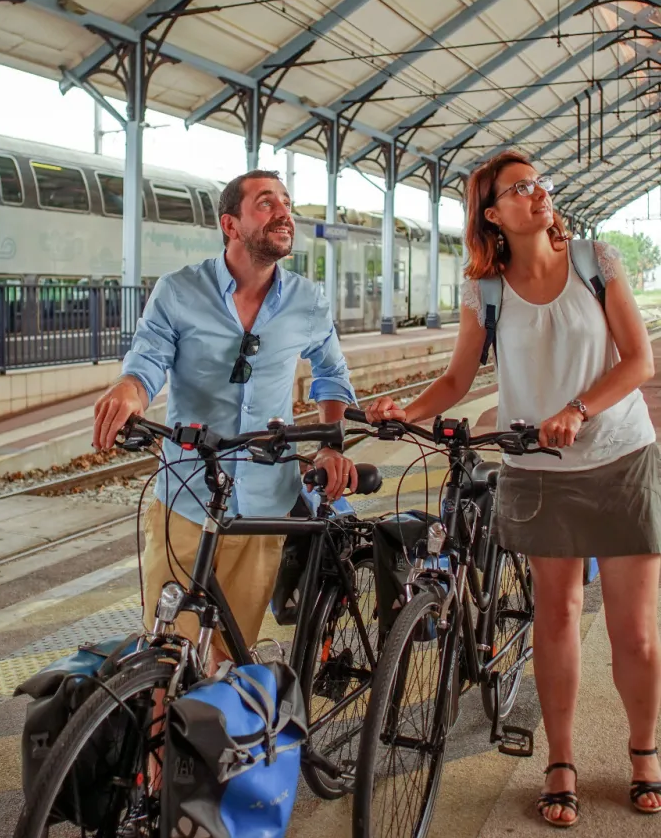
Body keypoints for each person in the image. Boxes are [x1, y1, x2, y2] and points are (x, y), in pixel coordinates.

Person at [366, 150, 661, 827]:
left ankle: (644, 751)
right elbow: (457, 381)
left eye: (540, 184)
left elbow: (639, 360)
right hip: (537, 473)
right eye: (520, 189)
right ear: (492, 214)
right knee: (553, 620)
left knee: (635, 635)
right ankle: (560, 761)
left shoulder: (597, 261)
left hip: (620, 459)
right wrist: (404, 410)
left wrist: (578, 411)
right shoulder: (487, 292)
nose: (539, 195)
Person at [93, 169, 357, 667]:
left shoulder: (308, 300)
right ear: (231, 225)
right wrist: (130, 389)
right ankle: (157, 747)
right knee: (165, 654)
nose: (283, 212)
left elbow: (332, 377)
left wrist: (331, 444)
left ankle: (212, 743)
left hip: (265, 506)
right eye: (265, 203)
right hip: (188, 496)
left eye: (285, 201)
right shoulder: (178, 290)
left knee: (228, 655)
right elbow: (148, 358)